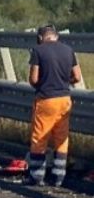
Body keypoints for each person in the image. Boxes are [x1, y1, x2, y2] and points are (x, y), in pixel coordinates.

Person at [26, 25, 82, 186]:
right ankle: (58, 177)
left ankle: (36, 176)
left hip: (46, 99)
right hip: (64, 99)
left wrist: (44, 84)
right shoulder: (69, 50)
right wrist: (65, 82)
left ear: (40, 38)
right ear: (56, 37)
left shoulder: (38, 51)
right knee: (61, 137)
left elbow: (34, 80)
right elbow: (77, 77)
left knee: (39, 138)